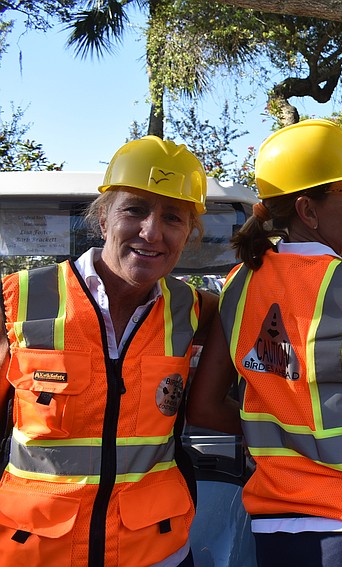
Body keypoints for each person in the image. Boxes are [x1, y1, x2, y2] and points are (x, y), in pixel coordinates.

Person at [187, 118, 342, 567]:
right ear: (308, 211)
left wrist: (278, 435)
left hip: (272, 530)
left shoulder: (238, 285)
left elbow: (204, 407)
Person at [0, 136, 213, 566]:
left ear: (189, 233)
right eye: (134, 209)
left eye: (173, 217)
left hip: (158, 553)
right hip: (35, 552)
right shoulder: (16, 301)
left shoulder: (194, 308)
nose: (151, 232)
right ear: (102, 218)